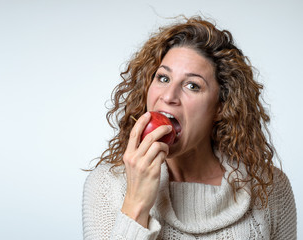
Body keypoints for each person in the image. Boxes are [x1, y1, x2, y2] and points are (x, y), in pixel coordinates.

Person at [82, 16, 297, 239]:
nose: (168, 96)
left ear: (222, 107)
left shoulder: (270, 188)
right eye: (163, 78)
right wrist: (136, 204)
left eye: (192, 85)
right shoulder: (108, 184)